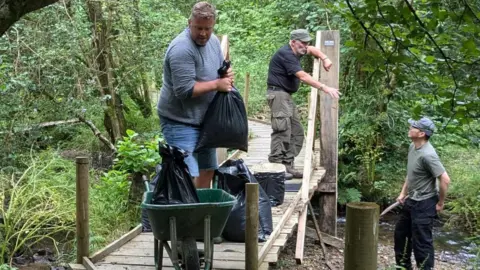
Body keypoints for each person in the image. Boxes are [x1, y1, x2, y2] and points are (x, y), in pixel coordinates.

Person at [156, 2, 234, 188]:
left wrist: (225, 74)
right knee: (186, 174)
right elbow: (184, 90)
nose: (203, 33)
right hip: (179, 121)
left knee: (207, 169)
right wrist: (217, 84)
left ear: (213, 25)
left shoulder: (214, 42)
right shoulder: (181, 49)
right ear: (189, 22)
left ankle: (199, 213)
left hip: (205, 120)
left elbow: (219, 68)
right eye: (198, 28)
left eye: (208, 28)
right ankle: (176, 213)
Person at [266, 29, 340, 178]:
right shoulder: (286, 54)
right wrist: (324, 87)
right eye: (303, 42)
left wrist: (324, 57)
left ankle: (287, 164)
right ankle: (276, 168)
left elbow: (312, 50)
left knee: (297, 132)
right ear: (293, 42)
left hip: (286, 95)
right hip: (278, 94)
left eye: (307, 42)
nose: (306, 46)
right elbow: (303, 76)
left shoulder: (298, 49)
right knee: (282, 130)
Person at [394, 117, 451, 270]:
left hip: (425, 204)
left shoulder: (428, 155)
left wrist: (440, 203)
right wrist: (403, 193)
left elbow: (445, 179)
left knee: (421, 244)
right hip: (411, 200)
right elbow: (411, 173)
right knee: (401, 236)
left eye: (414, 127)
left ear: (421, 134)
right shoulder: (413, 147)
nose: (410, 127)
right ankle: (403, 267)